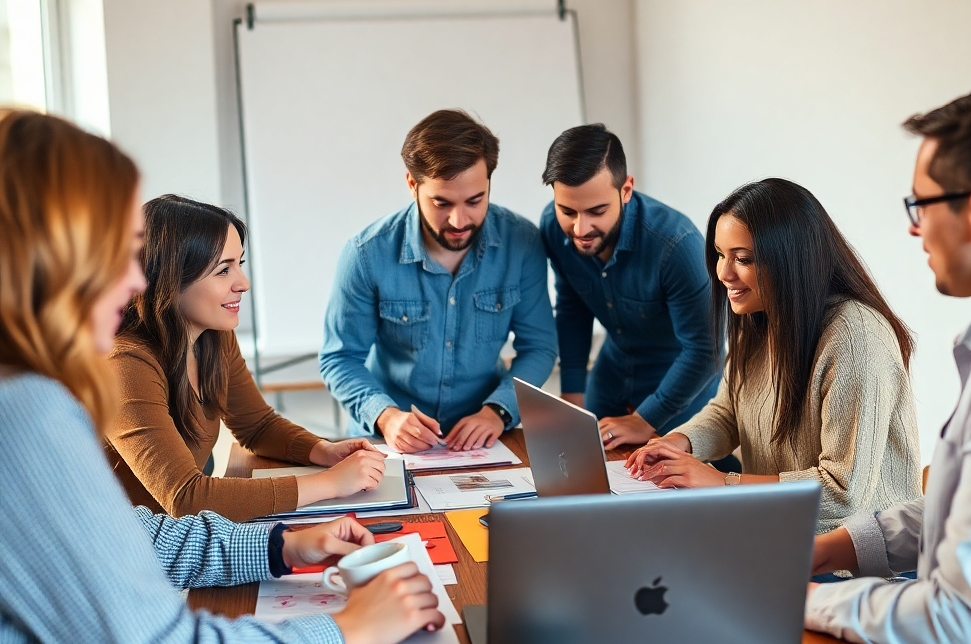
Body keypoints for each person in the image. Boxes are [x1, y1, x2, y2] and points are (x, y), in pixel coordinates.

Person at [0, 109, 443, 644]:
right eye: (119, 249)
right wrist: (346, 629)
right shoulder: (26, 415)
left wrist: (277, 546)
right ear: (52, 255)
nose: (132, 277)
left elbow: (127, 536)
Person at [806, 85, 971, 644]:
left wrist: (803, 600)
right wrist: (826, 550)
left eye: (919, 206)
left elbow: (966, 618)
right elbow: (968, 513)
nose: (912, 228)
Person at [625, 178, 920, 534]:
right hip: (781, 532)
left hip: (858, 564)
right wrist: (677, 443)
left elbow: (843, 494)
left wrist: (722, 483)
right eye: (720, 254)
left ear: (791, 260)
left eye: (743, 259)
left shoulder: (856, 337)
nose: (723, 273)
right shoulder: (759, 316)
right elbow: (728, 413)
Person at [105, 195, 386, 521]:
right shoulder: (125, 365)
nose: (244, 283)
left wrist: (323, 450)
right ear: (170, 278)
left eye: (240, 263)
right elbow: (185, 497)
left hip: (178, 538)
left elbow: (257, 426)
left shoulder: (214, 336)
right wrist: (330, 483)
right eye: (224, 270)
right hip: (126, 549)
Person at [320, 109, 558, 453]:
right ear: (412, 185)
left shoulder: (522, 244)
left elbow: (539, 347)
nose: (460, 220)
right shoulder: (365, 254)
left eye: (475, 201)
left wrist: (497, 411)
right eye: (441, 203)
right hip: (387, 440)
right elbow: (339, 358)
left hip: (487, 438)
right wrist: (386, 416)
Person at [540, 124, 720, 448]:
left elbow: (706, 351)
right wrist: (570, 395)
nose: (580, 228)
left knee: (680, 486)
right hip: (610, 374)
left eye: (597, 211)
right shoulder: (553, 227)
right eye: (568, 211)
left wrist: (644, 419)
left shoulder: (676, 245)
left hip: (680, 388)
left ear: (626, 190)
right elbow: (571, 310)